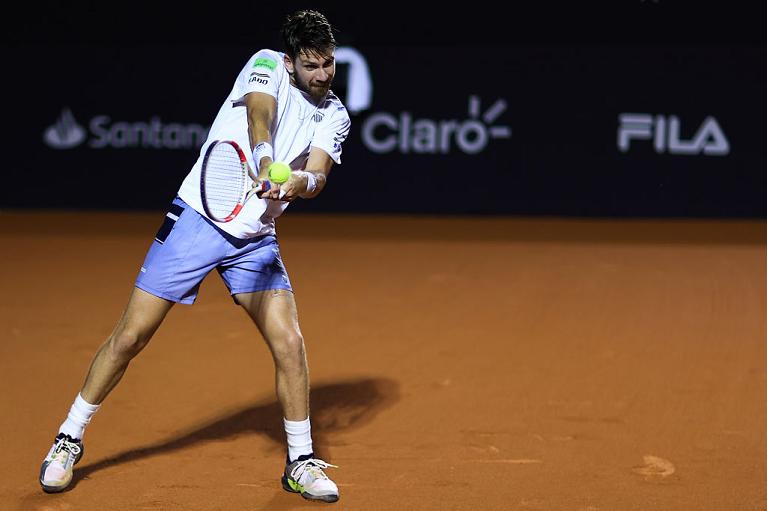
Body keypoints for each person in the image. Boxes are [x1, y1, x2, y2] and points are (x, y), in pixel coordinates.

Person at [38, 9, 350, 504]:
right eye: (311, 65)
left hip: (255, 238)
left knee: (290, 343)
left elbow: (318, 176)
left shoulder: (334, 114)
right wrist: (266, 159)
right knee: (131, 336)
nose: (322, 74)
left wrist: (297, 182)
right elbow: (259, 113)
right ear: (290, 62)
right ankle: (67, 439)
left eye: (328, 63)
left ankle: (301, 461)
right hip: (197, 220)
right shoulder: (265, 64)